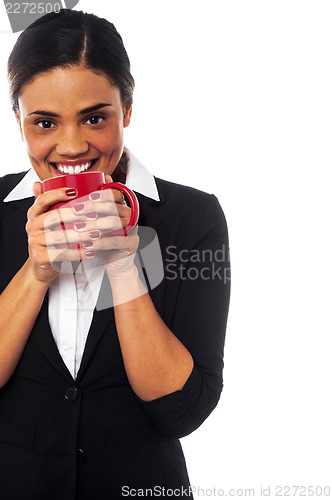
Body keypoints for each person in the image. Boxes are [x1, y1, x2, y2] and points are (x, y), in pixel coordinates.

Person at [0, 9, 230, 499]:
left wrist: (125, 266)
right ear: (18, 119)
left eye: (95, 117)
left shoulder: (193, 217)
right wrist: (36, 272)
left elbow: (183, 410)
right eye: (44, 122)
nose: (71, 145)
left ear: (126, 109)